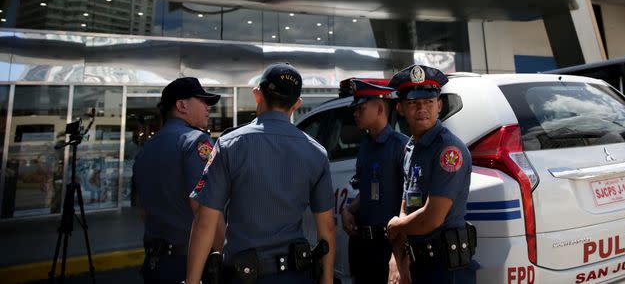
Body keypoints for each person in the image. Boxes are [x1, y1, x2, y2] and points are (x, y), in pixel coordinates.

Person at [185, 63, 335, 284]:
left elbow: (205, 221)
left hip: (243, 276)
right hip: (297, 274)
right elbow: (327, 229)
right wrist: (328, 279)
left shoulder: (229, 145)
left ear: (257, 95)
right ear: (296, 104)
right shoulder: (316, 152)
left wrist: (192, 281)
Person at [385, 65, 477, 284]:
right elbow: (406, 206)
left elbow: (432, 218)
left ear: (439, 106)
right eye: (413, 103)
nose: (422, 109)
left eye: (428, 102)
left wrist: (396, 226)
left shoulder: (449, 151)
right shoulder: (411, 148)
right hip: (419, 264)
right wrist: (397, 261)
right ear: (401, 108)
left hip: (446, 268)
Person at [132, 77, 225, 284]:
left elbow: (143, 212)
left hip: (155, 264)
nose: (208, 107)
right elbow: (205, 212)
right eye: (202, 101)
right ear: (182, 105)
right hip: (191, 265)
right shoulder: (196, 141)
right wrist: (221, 257)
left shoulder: (147, 147)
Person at [339, 79, 408, 284]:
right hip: (364, 247)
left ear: (379, 108)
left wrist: (398, 257)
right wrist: (349, 210)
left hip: (390, 247)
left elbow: (410, 204)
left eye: (361, 108)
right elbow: (369, 192)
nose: (355, 113)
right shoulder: (365, 146)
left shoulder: (401, 147)